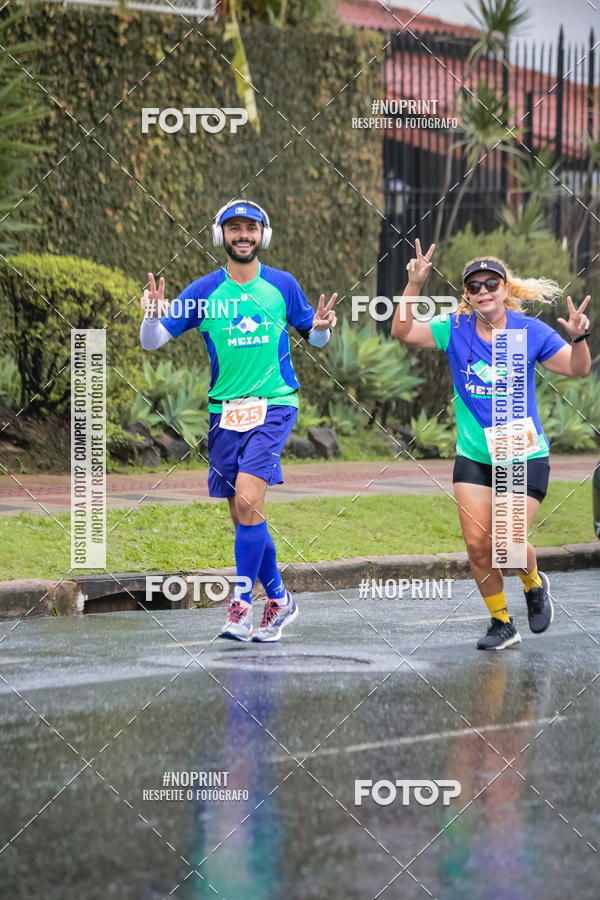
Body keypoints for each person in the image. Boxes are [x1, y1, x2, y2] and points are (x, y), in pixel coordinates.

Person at [139, 199, 337, 642]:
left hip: (275, 405)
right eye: (234, 228)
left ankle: (241, 606)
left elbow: (316, 336)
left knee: (248, 502)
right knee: (244, 512)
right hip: (224, 414)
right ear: (221, 236)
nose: (242, 234)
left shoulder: (282, 286)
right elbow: (152, 342)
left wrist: (323, 327)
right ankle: (282, 601)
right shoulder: (204, 290)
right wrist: (151, 316)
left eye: (250, 227)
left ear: (262, 235)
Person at [391, 239, 591, 650]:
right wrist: (414, 284)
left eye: (491, 284)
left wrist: (580, 338)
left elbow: (577, 368)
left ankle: (534, 583)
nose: (483, 291)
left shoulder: (531, 331)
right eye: (474, 286)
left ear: (505, 288)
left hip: (523, 455)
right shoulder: (456, 329)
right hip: (475, 457)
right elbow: (403, 331)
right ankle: (502, 623)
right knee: (477, 544)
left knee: (506, 544)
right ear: (467, 294)